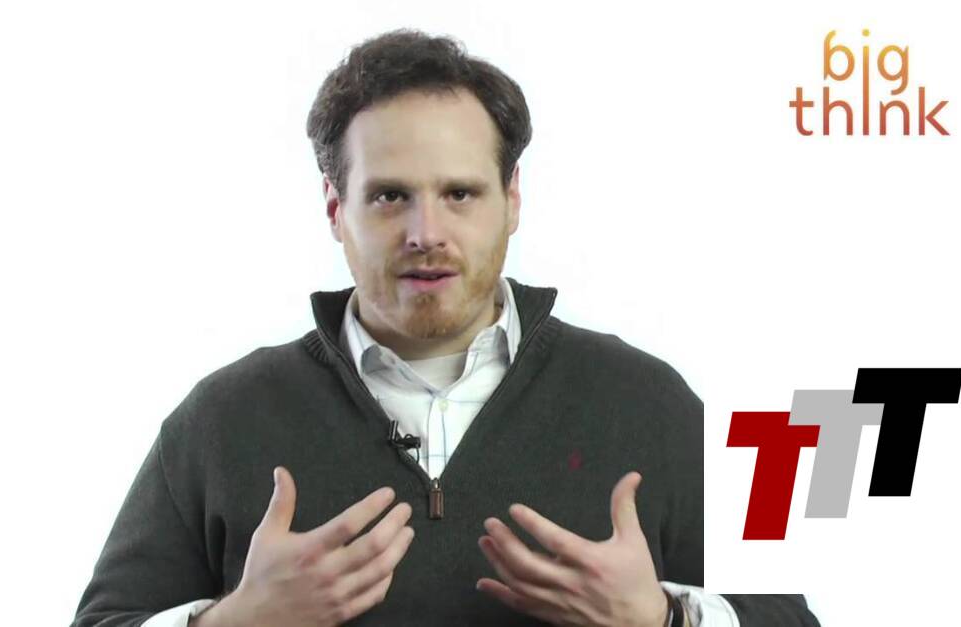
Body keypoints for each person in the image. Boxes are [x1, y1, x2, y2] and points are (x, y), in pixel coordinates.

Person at [71, 28, 821, 627]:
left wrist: (663, 618)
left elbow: (795, 617)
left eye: (459, 193)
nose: (425, 232)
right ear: (334, 208)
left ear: (512, 199)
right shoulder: (222, 419)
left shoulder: (648, 402)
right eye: (389, 196)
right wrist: (234, 623)